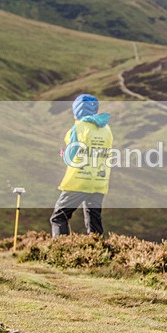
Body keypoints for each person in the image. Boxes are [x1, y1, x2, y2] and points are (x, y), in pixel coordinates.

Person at [50, 94, 113, 237]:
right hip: (99, 181)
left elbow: (71, 157)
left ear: (77, 111)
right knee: (94, 220)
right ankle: (97, 252)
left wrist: (64, 155)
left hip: (79, 180)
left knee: (59, 217)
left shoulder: (78, 128)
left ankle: (62, 251)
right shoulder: (106, 129)